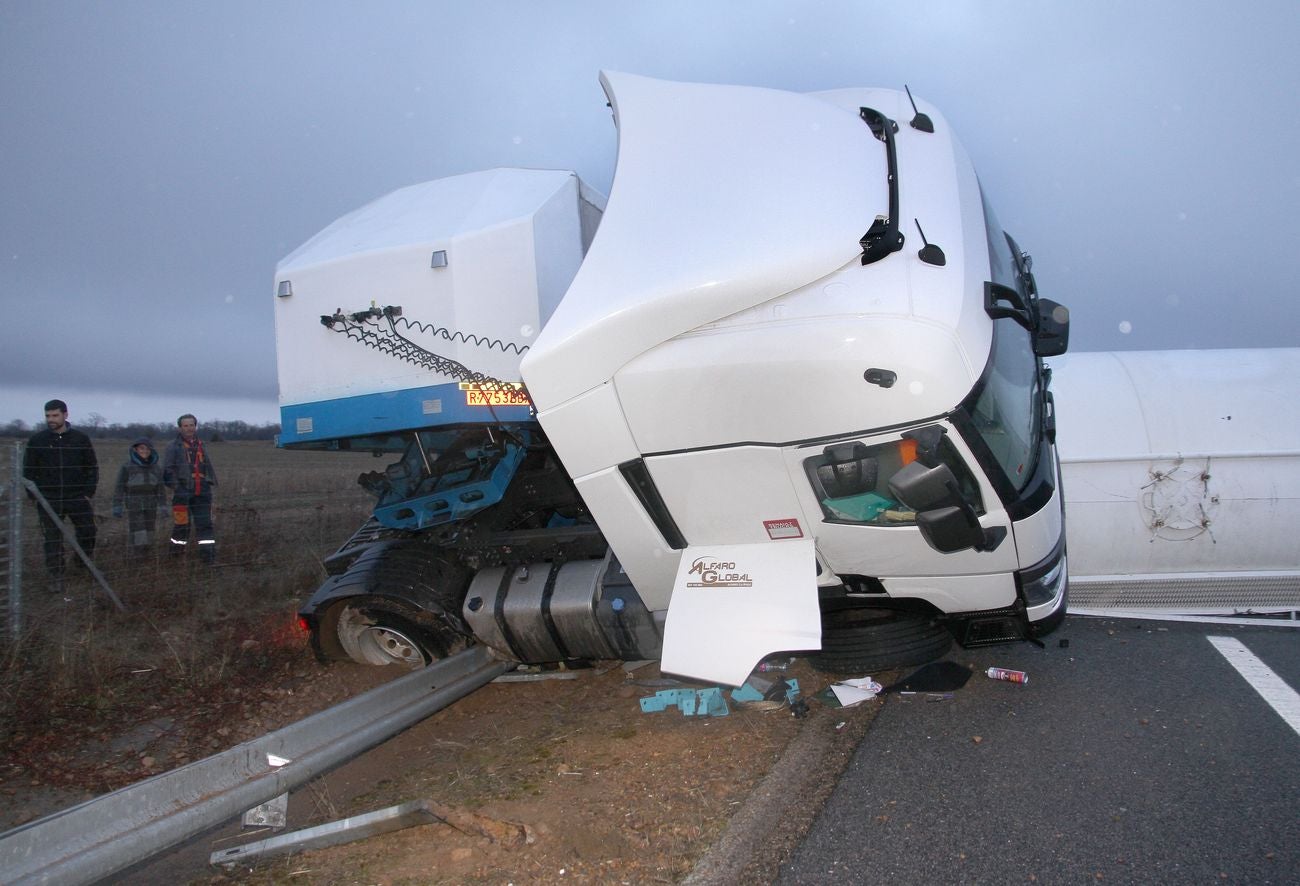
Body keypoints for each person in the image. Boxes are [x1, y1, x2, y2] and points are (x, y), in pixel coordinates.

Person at [22, 399, 99, 577]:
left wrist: (88, 493)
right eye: (48, 416)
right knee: (52, 539)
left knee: (88, 532)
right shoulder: (37, 440)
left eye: (55, 415)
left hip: (77, 496)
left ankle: (81, 563)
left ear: (65, 415)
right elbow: (29, 471)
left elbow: (91, 467)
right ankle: (56, 575)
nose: (51, 419)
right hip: (48, 498)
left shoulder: (80, 439)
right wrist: (34, 496)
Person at [163, 413, 218, 562]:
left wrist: (209, 482)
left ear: (195, 426)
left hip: (202, 492)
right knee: (181, 526)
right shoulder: (172, 446)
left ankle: (208, 560)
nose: (189, 428)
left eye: (192, 425)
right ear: (180, 428)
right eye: (185, 426)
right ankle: (175, 558)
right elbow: (167, 470)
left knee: (205, 525)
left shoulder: (201, 444)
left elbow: (207, 466)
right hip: (182, 493)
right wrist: (177, 487)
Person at [112, 437, 166, 559]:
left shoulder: (156, 467)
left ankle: (148, 554)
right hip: (134, 503)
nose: (145, 451)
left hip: (151, 503)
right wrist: (117, 505)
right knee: (138, 530)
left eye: (147, 448)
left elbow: (160, 489)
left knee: (150, 530)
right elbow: (119, 487)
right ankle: (136, 556)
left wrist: (163, 505)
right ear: (135, 450)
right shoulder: (127, 467)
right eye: (141, 448)